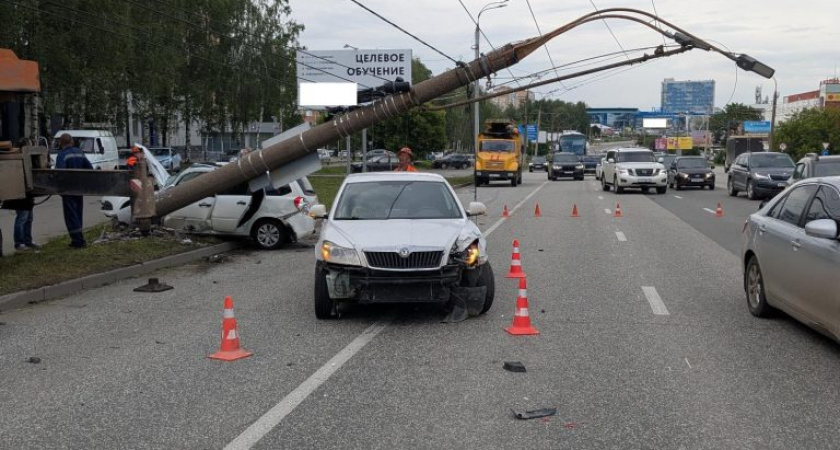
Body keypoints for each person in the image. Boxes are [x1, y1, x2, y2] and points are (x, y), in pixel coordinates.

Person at [55, 133, 93, 248]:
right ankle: (78, 238)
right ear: (71, 141)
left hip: (68, 189)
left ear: (61, 143)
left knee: (71, 216)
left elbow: (60, 173)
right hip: (79, 188)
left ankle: (78, 241)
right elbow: (89, 169)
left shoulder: (61, 155)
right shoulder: (80, 152)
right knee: (78, 214)